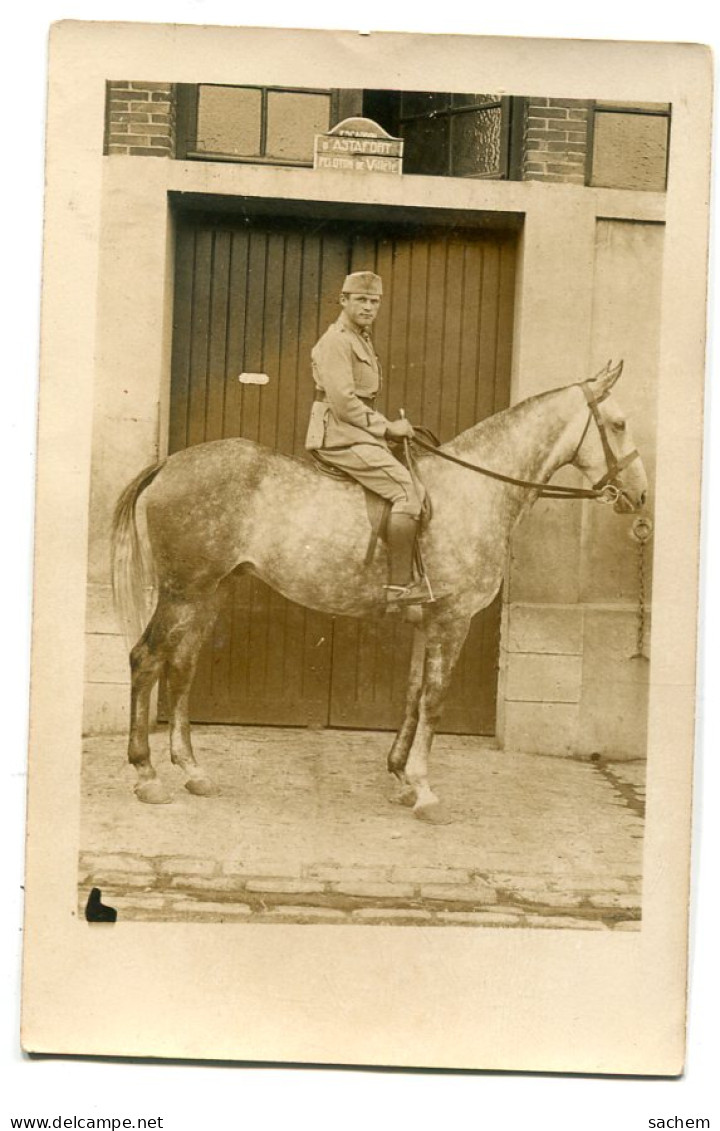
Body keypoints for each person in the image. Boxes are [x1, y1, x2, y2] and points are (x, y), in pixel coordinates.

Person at [305, 271, 431, 607]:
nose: (369, 307)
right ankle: (399, 590)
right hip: (340, 436)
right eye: (361, 299)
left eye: (374, 301)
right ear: (343, 300)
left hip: (357, 433)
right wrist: (388, 428)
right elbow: (345, 404)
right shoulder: (336, 341)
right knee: (408, 490)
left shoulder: (360, 338)